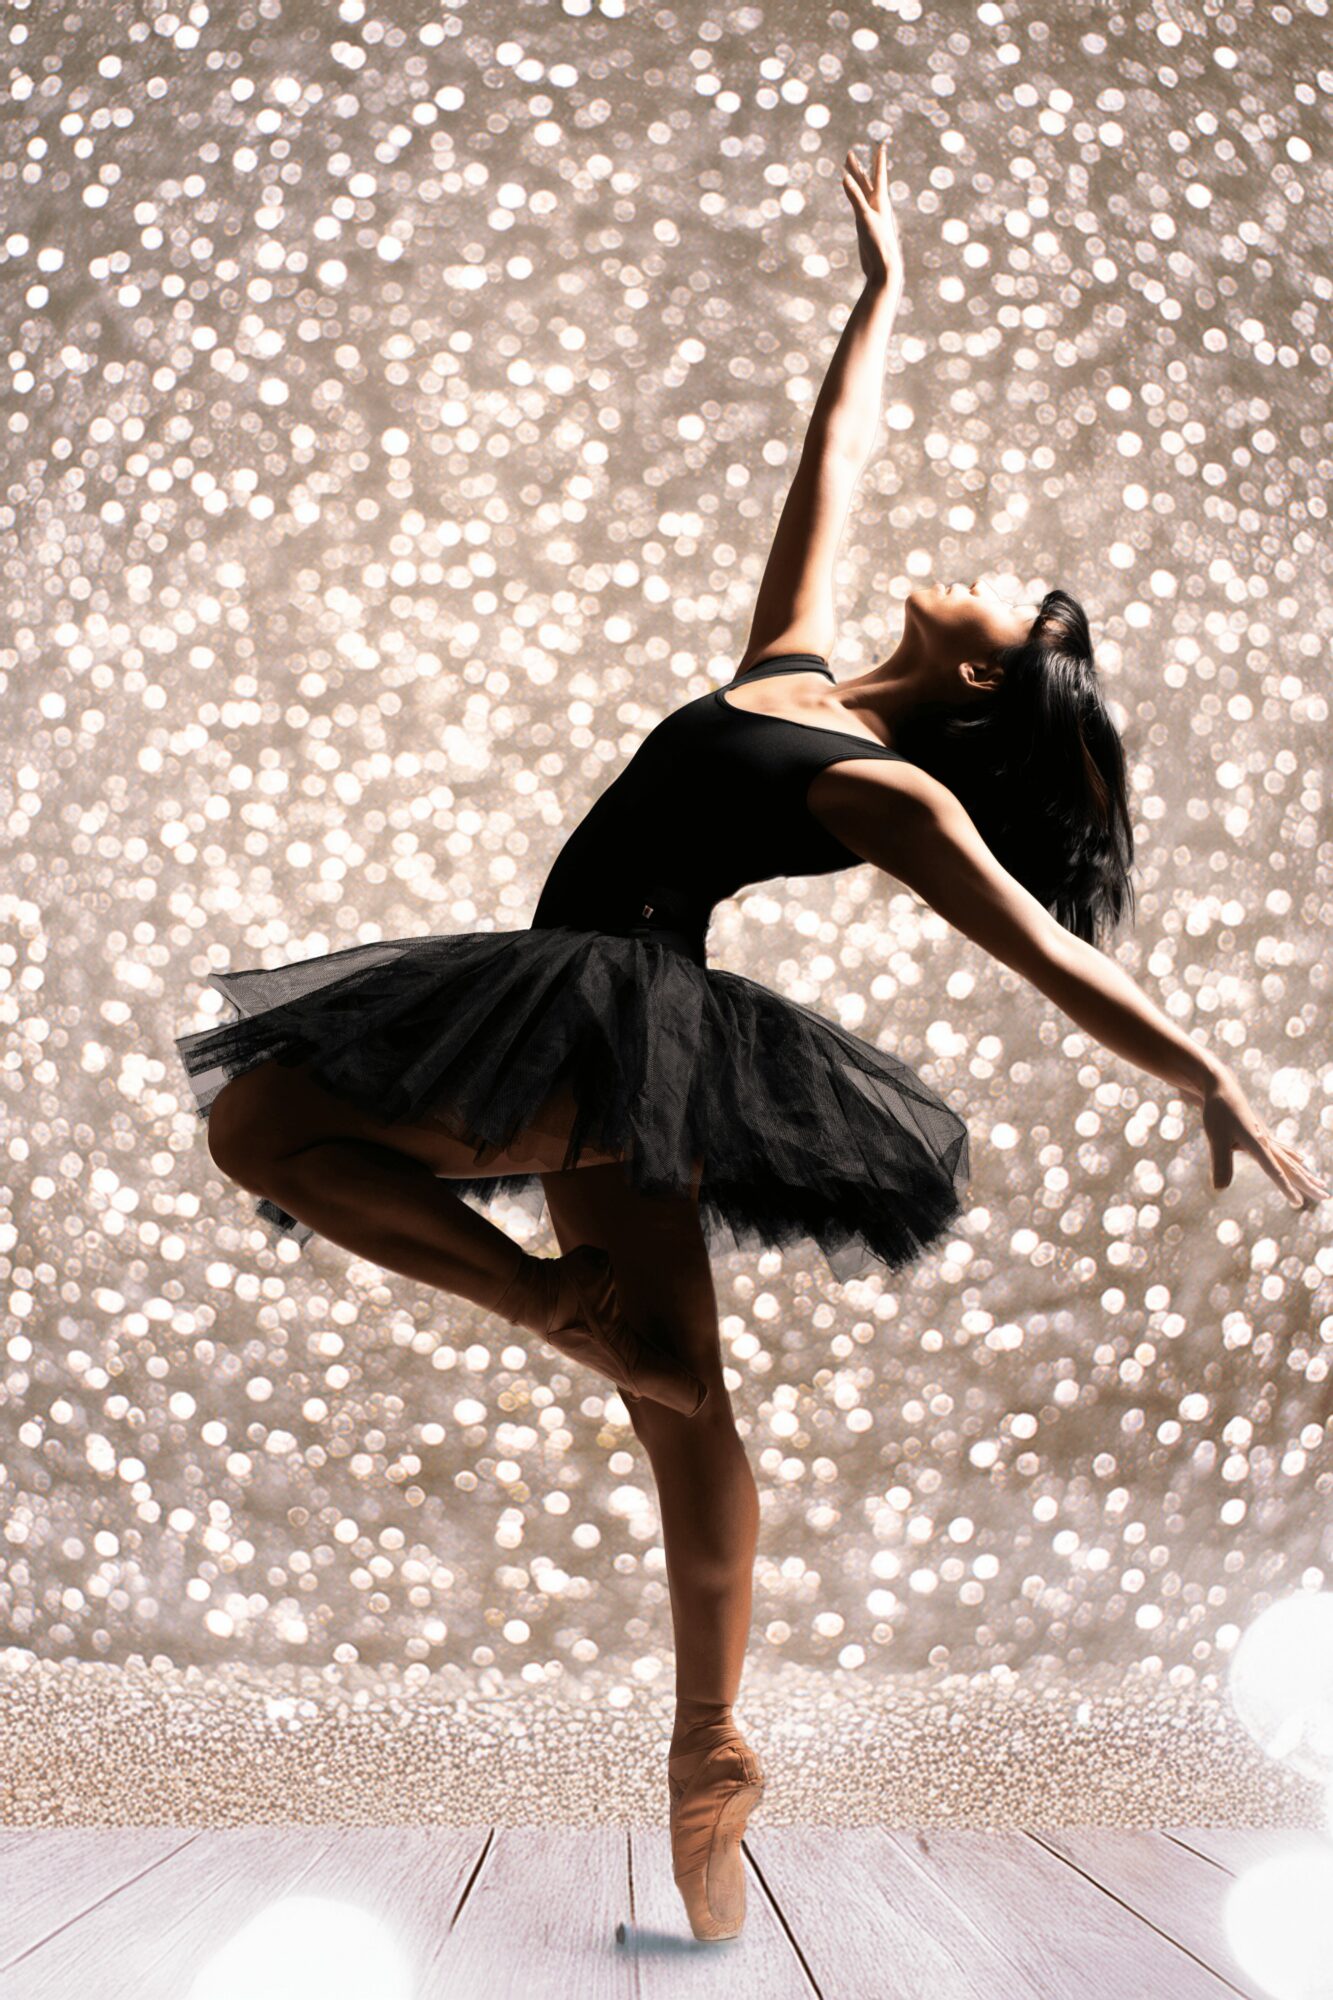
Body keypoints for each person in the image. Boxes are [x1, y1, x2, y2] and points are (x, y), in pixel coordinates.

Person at [173, 141, 1328, 1941]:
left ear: (975, 687)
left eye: (1014, 612)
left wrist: (1208, 1072)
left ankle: (559, 1327)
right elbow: (832, 460)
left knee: (266, 1130)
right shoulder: (785, 663)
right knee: (677, 1398)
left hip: (615, 1017)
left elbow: (1037, 952)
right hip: (588, 1020)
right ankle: (710, 1749)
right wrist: (883, 296)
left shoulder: (882, 793)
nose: (990, 574)